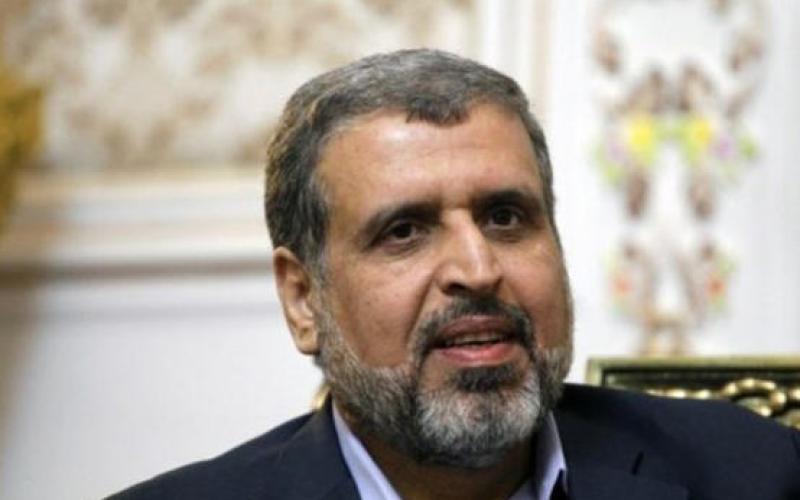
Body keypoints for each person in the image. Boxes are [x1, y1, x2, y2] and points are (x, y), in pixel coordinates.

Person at [109, 49, 800, 500]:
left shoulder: (754, 475)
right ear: (302, 300)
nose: (477, 268)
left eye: (506, 217)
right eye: (404, 231)